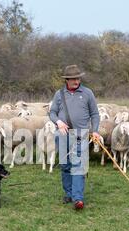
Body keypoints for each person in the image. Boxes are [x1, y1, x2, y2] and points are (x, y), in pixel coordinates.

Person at [49, 65, 101, 210]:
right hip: (63, 135)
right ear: (67, 80)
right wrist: (58, 122)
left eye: (78, 78)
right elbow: (52, 113)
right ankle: (69, 193)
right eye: (73, 79)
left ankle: (78, 199)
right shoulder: (59, 94)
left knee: (78, 166)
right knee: (66, 166)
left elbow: (95, 114)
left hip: (81, 135)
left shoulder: (87, 93)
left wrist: (95, 130)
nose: (76, 81)